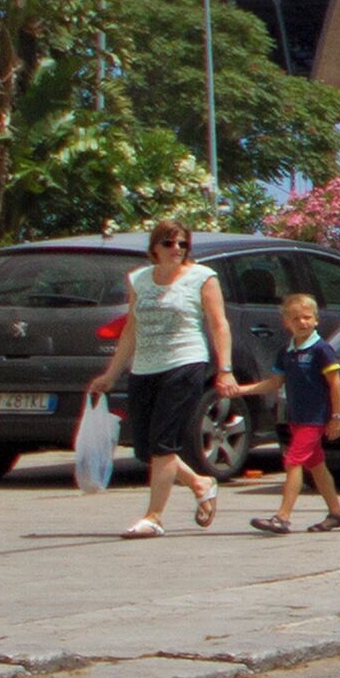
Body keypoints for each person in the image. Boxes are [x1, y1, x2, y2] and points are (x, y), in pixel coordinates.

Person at [83, 220, 239, 538]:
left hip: (185, 363)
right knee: (146, 449)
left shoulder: (202, 278)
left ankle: (154, 517)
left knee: (164, 444)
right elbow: (131, 328)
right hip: (144, 368)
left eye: (182, 244)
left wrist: (225, 369)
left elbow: (219, 324)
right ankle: (200, 483)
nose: (176, 249)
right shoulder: (139, 279)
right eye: (169, 243)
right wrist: (111, 374)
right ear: (154, 248)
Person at [239, 290, 340, 534]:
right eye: (296, 319)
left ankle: (283, 516)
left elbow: (335, 384)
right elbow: (275, 382)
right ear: (286, 322)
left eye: (308, 318)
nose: (303, 323)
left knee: (293, 462)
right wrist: (240, 390)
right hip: (296, 417)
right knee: (317, 466)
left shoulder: (321, 350)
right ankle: (337, 512)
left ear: (316, 320)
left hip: (314, 418)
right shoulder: (287, 351)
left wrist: (336, 417)